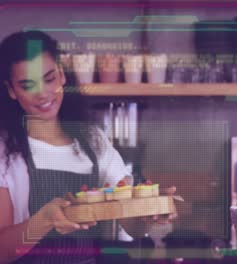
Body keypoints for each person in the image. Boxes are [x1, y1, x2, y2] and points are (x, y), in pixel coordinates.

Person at [0, 31, 176, 264]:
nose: (42, 93)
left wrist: (150, 214)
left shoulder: (93, 140)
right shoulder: (4, 151)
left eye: (49, 79)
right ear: (11, 90)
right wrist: (43, 221)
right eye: (27, 85)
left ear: (62, 75)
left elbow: (129, 222)